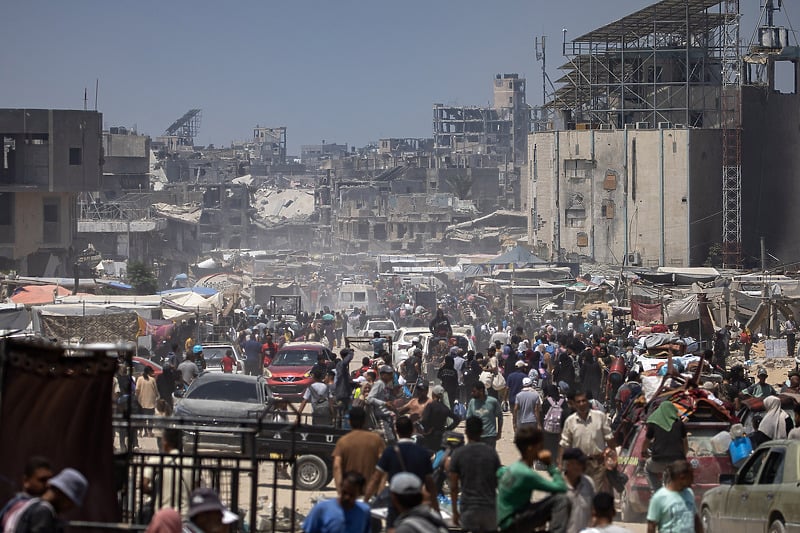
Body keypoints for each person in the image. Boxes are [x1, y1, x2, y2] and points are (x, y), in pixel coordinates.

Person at [364, 417, 439, 531]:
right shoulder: (422, 453)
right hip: (416, 502)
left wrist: (365, 501)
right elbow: (430, 483)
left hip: (396, 502)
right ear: (412, 430)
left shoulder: (390, 451)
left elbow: (375, 478)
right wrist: (436, 508)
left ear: (396, 431)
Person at [496, 425, 571, 533]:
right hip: (513, 522)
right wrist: (550, 466)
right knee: (561, 500)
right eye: (539, 447)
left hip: (504, 520)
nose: (542, 450)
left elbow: (499, 473)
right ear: (531, 449)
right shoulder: (526, 474)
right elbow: (561, 487)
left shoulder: (511, 469)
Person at [449, 416, 501, 533]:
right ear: (482, 432)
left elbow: (453, 487)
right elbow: (498, 482)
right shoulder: (491, 453)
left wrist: (455, 511)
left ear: (466, 432)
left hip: (469, 508)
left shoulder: (458, 454)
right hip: (489, 508)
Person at [559, 390, 616, 494]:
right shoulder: (570, 421)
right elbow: (564, 444)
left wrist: (613, 458)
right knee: (579, 493)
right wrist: (561, 466)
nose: (581, 404)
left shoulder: (600, 417)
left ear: (588, 402)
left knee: (594, 493)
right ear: (575, 404)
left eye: (584, 401)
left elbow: (610, 439)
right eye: (578, 402)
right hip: (578, 464)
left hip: (597, 463)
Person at [5, 468, 88, 533]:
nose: (70, 507)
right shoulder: (44, 511)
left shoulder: (24, 504)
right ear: (62, 493)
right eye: (71, 502)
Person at [332, 407, 385, 492]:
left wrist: (340, 491)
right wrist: (380, 491)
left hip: (350, 493)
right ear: (364, 421)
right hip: (370, 492)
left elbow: (336, 466)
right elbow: (383, 466)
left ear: (349, 421)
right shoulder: (376, 440)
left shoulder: (343, 441)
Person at [143, 428, 194, 513]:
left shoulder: (156, 459)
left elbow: (144, 485)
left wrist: (155, 493)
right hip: (184, 515)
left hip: (162, 514)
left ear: (165, 443)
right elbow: (195, 489)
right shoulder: (191, 462)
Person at [302, 471, 371, 533]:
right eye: (345, 493)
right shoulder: (321, 509)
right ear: (340, 487)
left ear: (359, 493)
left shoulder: (363, 512)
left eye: (351, 495)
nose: (347, 497)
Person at [641, 401, 687, 492]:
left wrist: (643, 452)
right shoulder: (680, 424)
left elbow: (646, 441)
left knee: (647, 468)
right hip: (677, 461)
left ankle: (656, 491)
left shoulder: (654, 424)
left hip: (658, 459)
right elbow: (685, 442)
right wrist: (684, 455)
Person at [646, 460, 702, 533]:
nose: (692, 481)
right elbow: (651, 526)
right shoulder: (659, 497)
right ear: (681, 478)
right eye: (690, 477)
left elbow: (695, 519)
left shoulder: (689, 493)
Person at [0, 457, 53, 529]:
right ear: (26, 481)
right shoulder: (14, 505)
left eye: (50, 480)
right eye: (42, 480)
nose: (48, 484)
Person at [562, 447, 595, 533]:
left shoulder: (589, 483)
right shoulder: (557, 484)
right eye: (575, 463)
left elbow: (593, 511)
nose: (579, 467)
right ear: (567, 464)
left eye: (581, 464)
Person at [419, 385, 460, 452]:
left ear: (433, 394)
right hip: (441, 435)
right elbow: (457, 419)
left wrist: (426, 430)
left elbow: (424, 420)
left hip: (430, 436)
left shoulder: (430, 406)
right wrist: (448, 429)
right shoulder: (445, 408)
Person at [465, 381, 503, 449]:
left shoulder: (493, 401)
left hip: (490, 436)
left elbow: (500, 417)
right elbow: (469, 419)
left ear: (481, 391)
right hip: (476, 437)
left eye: (474, 391)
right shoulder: (472, 402)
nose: (472, 393)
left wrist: (499, 432)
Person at [366, 365, 398, 441]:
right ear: (383, 375)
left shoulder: (386, 385)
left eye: (391, 374)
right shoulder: (379, 384)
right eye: (389, 374)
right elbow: (369, 398)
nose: (391, 376)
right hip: (381, 418)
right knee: (389, 441)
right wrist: (384, 403)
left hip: (388, 417)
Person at [137, 366, 159, 437]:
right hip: (151, 402)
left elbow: (137, 390)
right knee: (150, 419)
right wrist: (157, 397)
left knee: (142, 418)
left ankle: (141, 432)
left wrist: (136, 398)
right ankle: (149, 432)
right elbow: (156, 391)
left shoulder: (140, 379)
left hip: (141, 402)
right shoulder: (152, 380)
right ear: (149, 372)